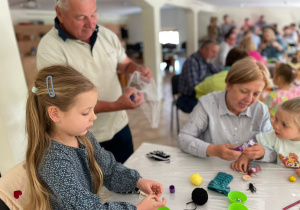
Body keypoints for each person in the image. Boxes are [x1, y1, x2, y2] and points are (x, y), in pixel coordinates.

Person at [25, 65, 166, 210]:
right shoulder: (54, 162)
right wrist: (138, 209)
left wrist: (138, 182)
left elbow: (109, 169)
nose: (94, 116)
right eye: (86, 113)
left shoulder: (83, 138)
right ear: (55, 114)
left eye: (93, 109)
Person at [36, 0, 152, 163]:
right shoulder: (49, 48)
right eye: (81, 17)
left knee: (126, 177)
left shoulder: (107, 35)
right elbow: (65, 102)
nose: (90, 24)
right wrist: (116, 105)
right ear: (60, 14)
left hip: (118, 125)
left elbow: (124, 64)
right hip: (81, 134)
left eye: (93, 14)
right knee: (92, 185)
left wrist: (136, 69)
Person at [178, 57, 274, 161]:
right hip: (211, 168)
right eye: (244, 91)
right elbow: (183, 138)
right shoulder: (208, 104)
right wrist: (213, 150)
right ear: (228, 85)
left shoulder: (261, 110)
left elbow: (275, 148)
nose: (249, 99)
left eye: (256, 94)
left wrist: (263, 153)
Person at [231, 97, 300, 177]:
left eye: (284, 125)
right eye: (276, 119)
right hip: (276, 179)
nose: (276, 126)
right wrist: (246, 156)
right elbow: (254, 148)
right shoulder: (274, 135)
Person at [177, 40, 219, 113]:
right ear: (203, 49)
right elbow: (194, 88)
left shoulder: (207, 61)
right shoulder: (192, 61)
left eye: (216, 52)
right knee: (213, 109)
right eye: (213, 52)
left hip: (202, 95)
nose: (215, 55)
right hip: (187, 98)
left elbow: (218, 76)